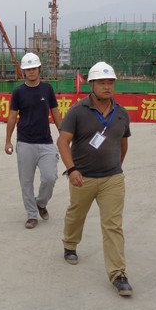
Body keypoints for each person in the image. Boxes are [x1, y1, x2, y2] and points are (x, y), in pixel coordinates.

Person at [57, 61, 133, 296]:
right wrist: (72, 170)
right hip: (83, 177)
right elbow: (62, 141)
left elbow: (123, 144)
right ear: (91, 84)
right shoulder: (77, 111)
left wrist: (116, 169)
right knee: (76, 213)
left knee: (113, 225)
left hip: (112, 179)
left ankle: (118, 273)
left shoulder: (122, 114)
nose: (107, 86)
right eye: (101, 82)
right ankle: (70, 244)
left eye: (110, 82)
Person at [5, 52, 62, 229]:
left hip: (46, 142)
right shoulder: (18, 92)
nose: (31, 71)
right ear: (23, 71)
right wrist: (8, 140)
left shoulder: (47, 89)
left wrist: (63, 134)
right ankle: (31, 215)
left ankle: (41, 203)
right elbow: (12, 117)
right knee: (26, 181)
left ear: (39, 69)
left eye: (34, 68)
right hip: (25, 142)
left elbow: (55, 112)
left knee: (50, 177)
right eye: (27, 69)